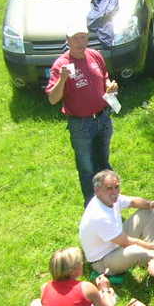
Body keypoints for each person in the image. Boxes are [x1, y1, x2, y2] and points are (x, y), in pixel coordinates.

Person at [46, 19, 118, 205]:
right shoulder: (61, 65)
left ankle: (110, 199)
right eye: (76, 38)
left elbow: (105, 77)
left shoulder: (94, 55)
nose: (80, 42)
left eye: (83, 37)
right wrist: (62, 79)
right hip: (81, 124)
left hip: (102, 118)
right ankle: (91, 204)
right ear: (68, 40)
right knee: (86, 167)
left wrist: (110, 85)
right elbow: (53, 99)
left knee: (103, 161)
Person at [79, 170, 154, 275]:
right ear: (97, 191)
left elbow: (133, 202)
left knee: (147, 211)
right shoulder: (99, 216)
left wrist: (153, 204)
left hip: (116, 242)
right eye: (109, 188)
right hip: (104, 260)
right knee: (136, 251)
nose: (115, 192)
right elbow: (126, 242)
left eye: (117, 187)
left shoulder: (109, 198)